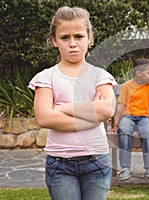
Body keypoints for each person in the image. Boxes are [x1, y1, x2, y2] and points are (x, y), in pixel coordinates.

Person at [28, 6, 116, 200]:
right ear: (54, 40)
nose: (72, 43)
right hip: (60, 165)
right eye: (65, 37)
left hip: (96, 162)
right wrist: (90, 118)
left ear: (90, 38)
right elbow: (45, 117)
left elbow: (106, 109)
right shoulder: (46, 77)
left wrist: (65, 108)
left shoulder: (100, 76)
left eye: (79, 36)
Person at [112, 58, 149, 181]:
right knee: (124, 131)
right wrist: (116, 123)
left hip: (144, 117)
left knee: (148, 133)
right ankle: (125, 168)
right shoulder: (127, 86)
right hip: (127, 116)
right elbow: (120, 105)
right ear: (139, 73)